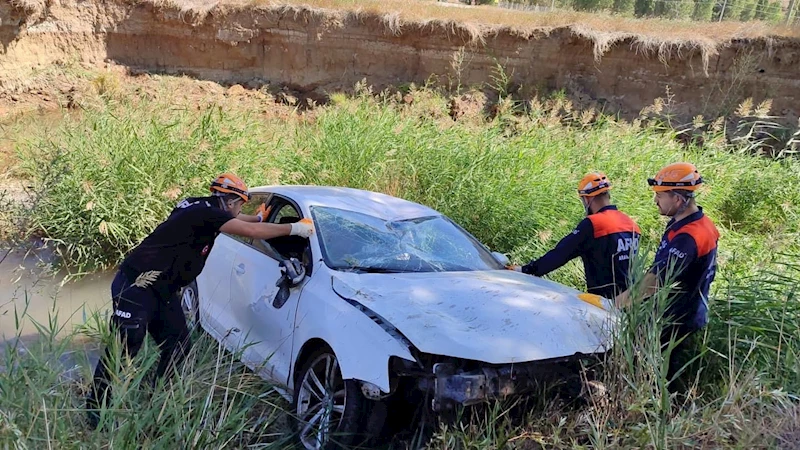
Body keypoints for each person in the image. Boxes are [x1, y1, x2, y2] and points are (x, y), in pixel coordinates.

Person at [85, 173, 314, 428]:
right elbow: (248, 229)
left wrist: (259, 217)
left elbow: (238, 220)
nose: (240, 209)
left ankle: (155, 399)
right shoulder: (208, 214)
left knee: (178, 345)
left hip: (163, 290)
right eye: (240, 204)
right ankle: (96, 411)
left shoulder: (199, 205)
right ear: (229, 202)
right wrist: (295, 228)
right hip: (136, 285)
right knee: (125, 347)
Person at [615, 162, 719, 392]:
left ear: (678, 199)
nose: (656, 201)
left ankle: (662, 416)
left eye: (660, 196)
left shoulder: (689, 236)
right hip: (681, 311)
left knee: (658, 378)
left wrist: (617, 304)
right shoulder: (692, 222)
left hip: (678, 316)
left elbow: (657, 280)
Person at [512, 172, 641, 300]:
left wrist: (526, 270)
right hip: (632, 301)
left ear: (587, 199)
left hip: (604, 303)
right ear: (608, 194)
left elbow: (560, 254)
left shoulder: (593, 224)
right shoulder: (631, 224)